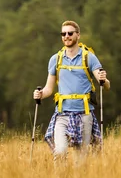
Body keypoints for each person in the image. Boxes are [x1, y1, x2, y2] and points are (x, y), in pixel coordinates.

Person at [33, 20, 110, 160]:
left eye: (70, 33)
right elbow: (48, 89)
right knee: (60, 152)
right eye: (63, 33)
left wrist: (104, 79)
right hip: (62, 114)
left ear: (78, 35)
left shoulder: (89, 57)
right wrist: (40, 94)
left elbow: (105, 84)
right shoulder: (55, 59)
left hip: (84, 114)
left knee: (81, 160)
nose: (66, 36)